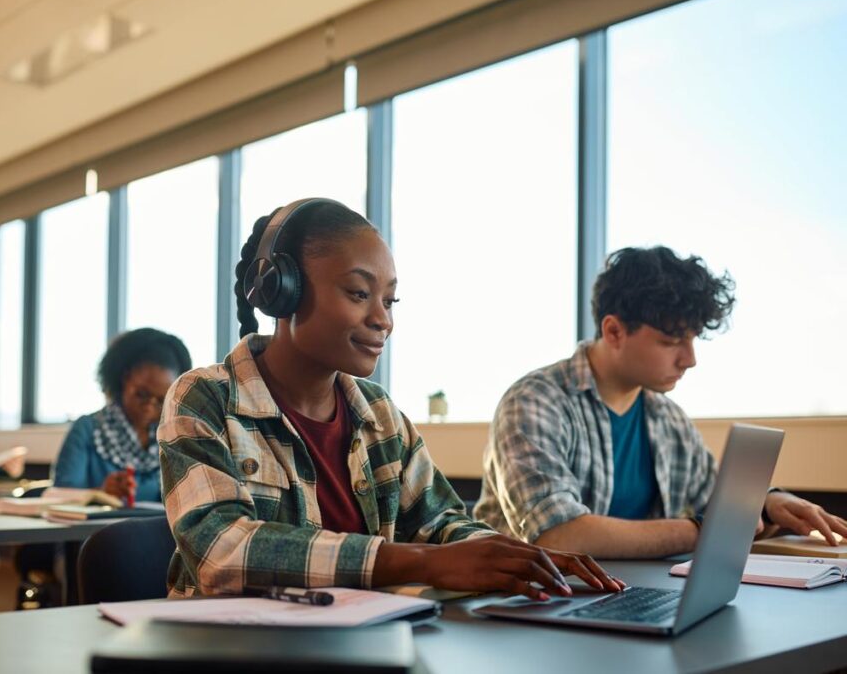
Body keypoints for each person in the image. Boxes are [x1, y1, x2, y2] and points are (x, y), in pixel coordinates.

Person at [159, 198, 622, 600]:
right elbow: (223, 551)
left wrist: (517, 560)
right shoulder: (204, 398)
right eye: (360, 293)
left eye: (391, 301)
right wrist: (421, 563)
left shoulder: (378, 414)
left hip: (356, 645)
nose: (383, 320)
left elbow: (442, 524)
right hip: (233, 651)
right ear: (284, 292)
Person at [474, 246, 847, 558]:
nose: (690, 359)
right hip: (525, 608)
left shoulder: (667, 418)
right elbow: (559, 537)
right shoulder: (535, 403)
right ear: (614, 331)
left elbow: (713, 497)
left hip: (628, 596)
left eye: (693, 340)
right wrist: (707, 531)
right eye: (671, 342)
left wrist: (766, 501)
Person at [53, 328, 192, 503]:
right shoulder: (87, 429)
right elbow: (59, 498)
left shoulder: (173, 437)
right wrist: (99, 493)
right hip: (94, 530)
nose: (149, 406)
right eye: (141, 394)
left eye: (161, 400)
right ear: (123, 379)